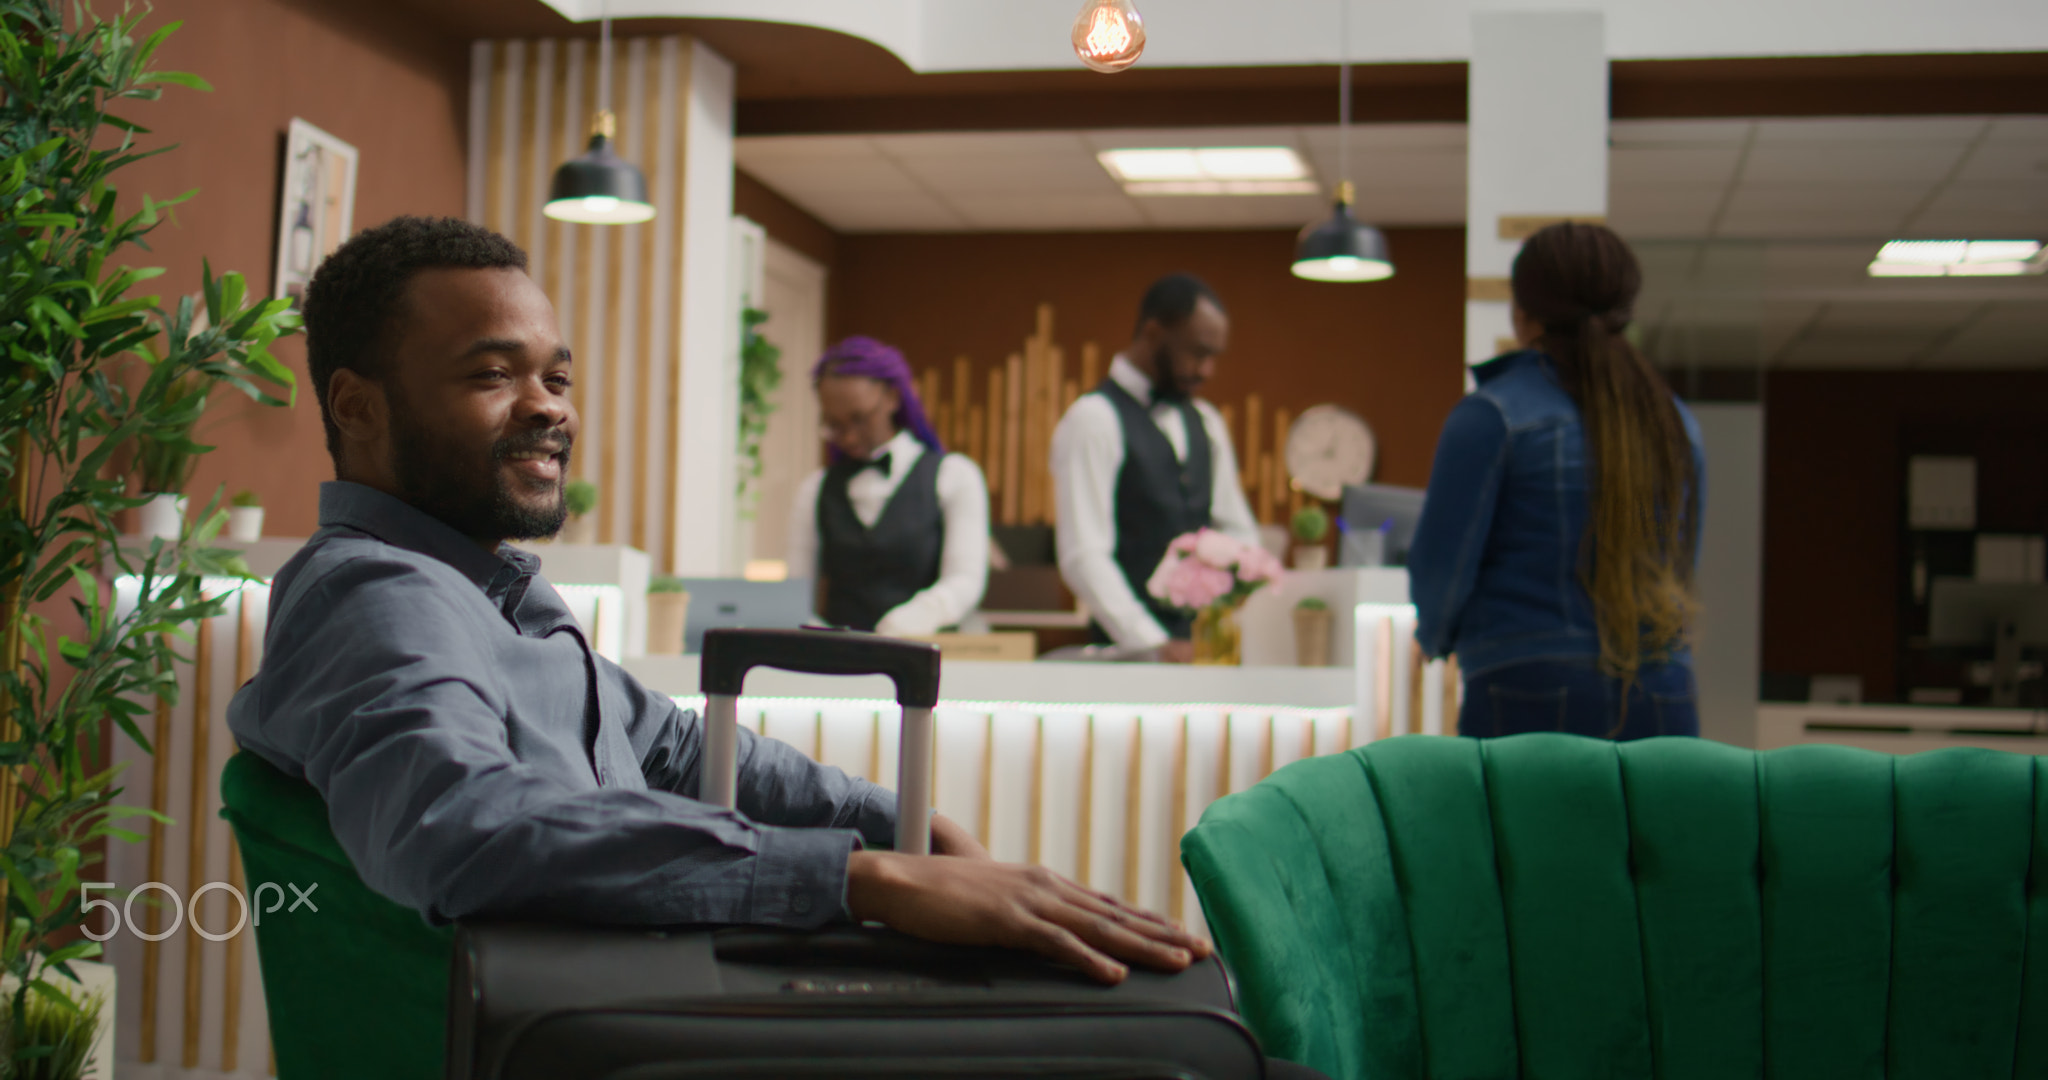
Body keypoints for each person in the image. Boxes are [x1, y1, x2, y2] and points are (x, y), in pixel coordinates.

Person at [225, 216, 1207, 986]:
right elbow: (465, 826)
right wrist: (858, 880)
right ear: (356, 406)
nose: (549, 406)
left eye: (555, 376)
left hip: (638, 989)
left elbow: (668, 747)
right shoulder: (378, 595)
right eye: (493, 374)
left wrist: (892, 819)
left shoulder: (482, 588)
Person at [1408, 222, 1707, 740]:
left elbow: (1444, 567)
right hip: (1664, 686)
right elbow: (1680, 560)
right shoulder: (1674, 420)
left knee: (1521, 828)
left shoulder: (1491, 415)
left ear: (1522, 314)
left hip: (1526, 683)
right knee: (1648, 828)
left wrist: (1432, 637)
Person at [1050, 273, 1260, 662]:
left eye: (1214, 357)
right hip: (1125, 656)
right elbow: (1084, 553)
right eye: (1197, 352)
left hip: (1204, 652)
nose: (1207, 370)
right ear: (1153, 332)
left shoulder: (1208, 422)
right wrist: (1150, 643)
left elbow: (1238, 531)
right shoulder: (1093, 419)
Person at [786, 337, 989, 636]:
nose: (850, 438)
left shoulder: (954, 476)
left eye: (860, 419)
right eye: (835, 425)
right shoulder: (814, 489)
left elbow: (965, 580)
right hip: (838, 664)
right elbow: (796, 591)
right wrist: (813, 630)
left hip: (926, 658)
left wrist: (923, 613)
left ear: (892, 398)